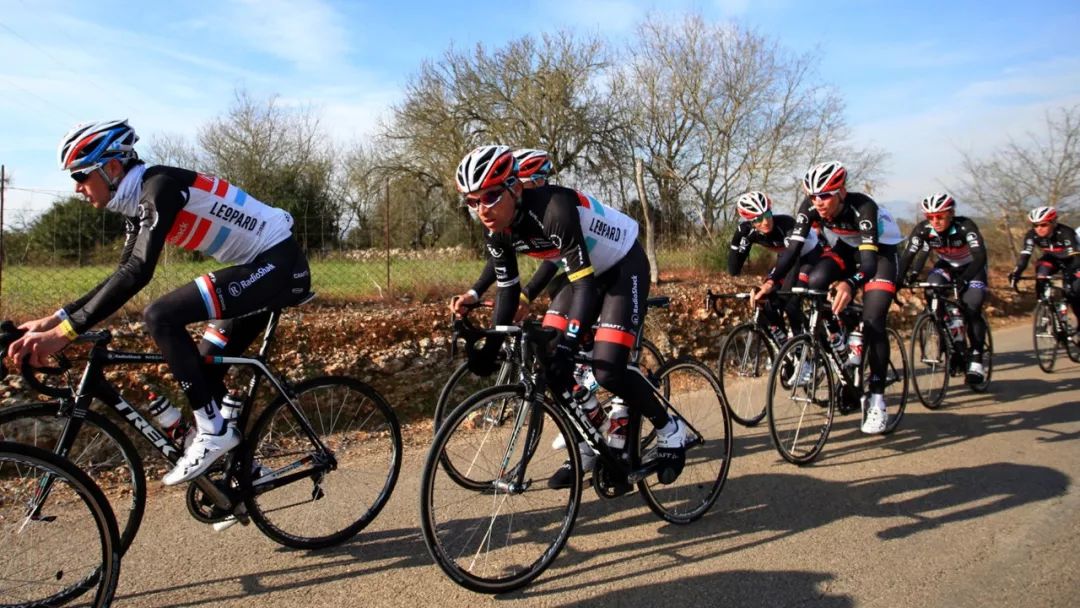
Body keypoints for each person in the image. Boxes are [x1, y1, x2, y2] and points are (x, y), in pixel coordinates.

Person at [6, 119, 311, 485]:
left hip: (277, 264)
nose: (76, 188)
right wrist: (55, 320)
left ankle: (213, 433)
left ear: (112, 168)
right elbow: (121, 273)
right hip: (257, 266)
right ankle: (245, 471)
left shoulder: (159, 187)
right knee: (201, 369)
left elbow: (139, 272)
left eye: (80, 175)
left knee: (161, 316)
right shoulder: (138, 202)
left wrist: (64, 334)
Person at [453, 144, 684, 487]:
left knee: (606, 369)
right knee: (547, 360)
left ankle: (670, 429)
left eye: (489, 197)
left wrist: (569, 343)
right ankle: (590, 441)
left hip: (622, 266)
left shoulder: (554, 210)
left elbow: (585, 285)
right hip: (585, 275)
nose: (481, 209)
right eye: (472, 202)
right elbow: (507, 290)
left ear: (515, 188)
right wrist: (491, 345)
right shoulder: (495, 230)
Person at [753, 160, 903, 434]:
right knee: (816, 280)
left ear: (841, 192)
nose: (818, 202)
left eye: (825, 195)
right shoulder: (810, 207)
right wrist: (771, 282)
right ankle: (841, 338)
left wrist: (850, 283)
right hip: (848, 247)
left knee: (874, 321)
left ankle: (877, 400)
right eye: (813, 196)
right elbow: (792, 249)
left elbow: (868, 264)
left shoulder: (864, 208)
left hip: (880, 254)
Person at [453, 148, 561, 320]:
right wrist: (474, 293)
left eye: (542, 180)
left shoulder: (551, 211)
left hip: (592, 267)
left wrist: (526, 295)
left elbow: (555, 257)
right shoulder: (503, 215)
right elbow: (500, 258)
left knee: (558, 289)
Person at [897, 193, 989, 383]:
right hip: (947, 266)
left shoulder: (965, 226)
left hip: (972, 268)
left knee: (972, 306)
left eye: (940, 216)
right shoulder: (923, 230)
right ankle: (950, 338)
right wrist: (899, 280)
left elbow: (980, 256)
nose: (935, 221)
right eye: (930, 217)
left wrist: (964, 279)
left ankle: (977, 357)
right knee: (932, 288)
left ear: (951, 213)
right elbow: (908, 256)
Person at [728, 191, 823, 340]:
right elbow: (734, 269)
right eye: (758, 219)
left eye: (767, 214)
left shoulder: (786, 224)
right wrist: (737, 240)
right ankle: (784, 345)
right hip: (786, 258)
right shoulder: (748, 231)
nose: (765, 222)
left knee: (790, 301)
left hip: (809, 256)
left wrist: (770, 283)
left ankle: (804, 346)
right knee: (766, 303)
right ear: (750, 221)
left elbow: (792, 257)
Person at [1008, 206, 1080, 339]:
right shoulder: (1032, 235)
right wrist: (1016, 272)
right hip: (1051, 259)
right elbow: (1025, 257)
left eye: (1043, 225)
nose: (1039, 228)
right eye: (1035, 225)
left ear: (1053, 222)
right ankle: (1044, 311)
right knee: (1041, 273)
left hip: (1072, 260)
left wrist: (1071, 274)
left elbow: (1075, 257)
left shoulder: (1066, 232)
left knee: (1074, 292)